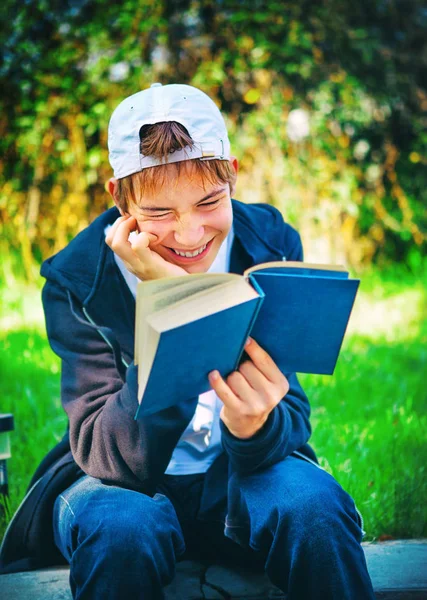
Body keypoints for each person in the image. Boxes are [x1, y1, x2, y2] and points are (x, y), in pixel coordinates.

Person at [0, 83, 375, 599]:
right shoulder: (79, 280)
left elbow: (292, 415)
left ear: (233, 175)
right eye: (158, 213)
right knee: (121, 532)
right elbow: (108, 455)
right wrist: (168, 300)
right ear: (119, 198)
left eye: (209, 202)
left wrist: (253, 428)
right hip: (118, 484)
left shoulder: (268, 244)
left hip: (241, 473)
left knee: (315, 510)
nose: (190, 234)